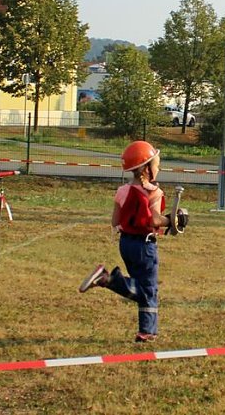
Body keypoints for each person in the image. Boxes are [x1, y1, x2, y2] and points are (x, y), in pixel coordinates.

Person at [78, 140, 188, 343]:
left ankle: (145, 329)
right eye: (156, 164)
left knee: (142, 287)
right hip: (144, 246)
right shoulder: (153, 191)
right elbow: (154, 220)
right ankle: (108, 280)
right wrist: (172, 221)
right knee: (148, 290)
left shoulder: (122, 190)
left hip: (126, 245)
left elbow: (115, 221)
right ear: (146, 168)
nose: (159, 168)